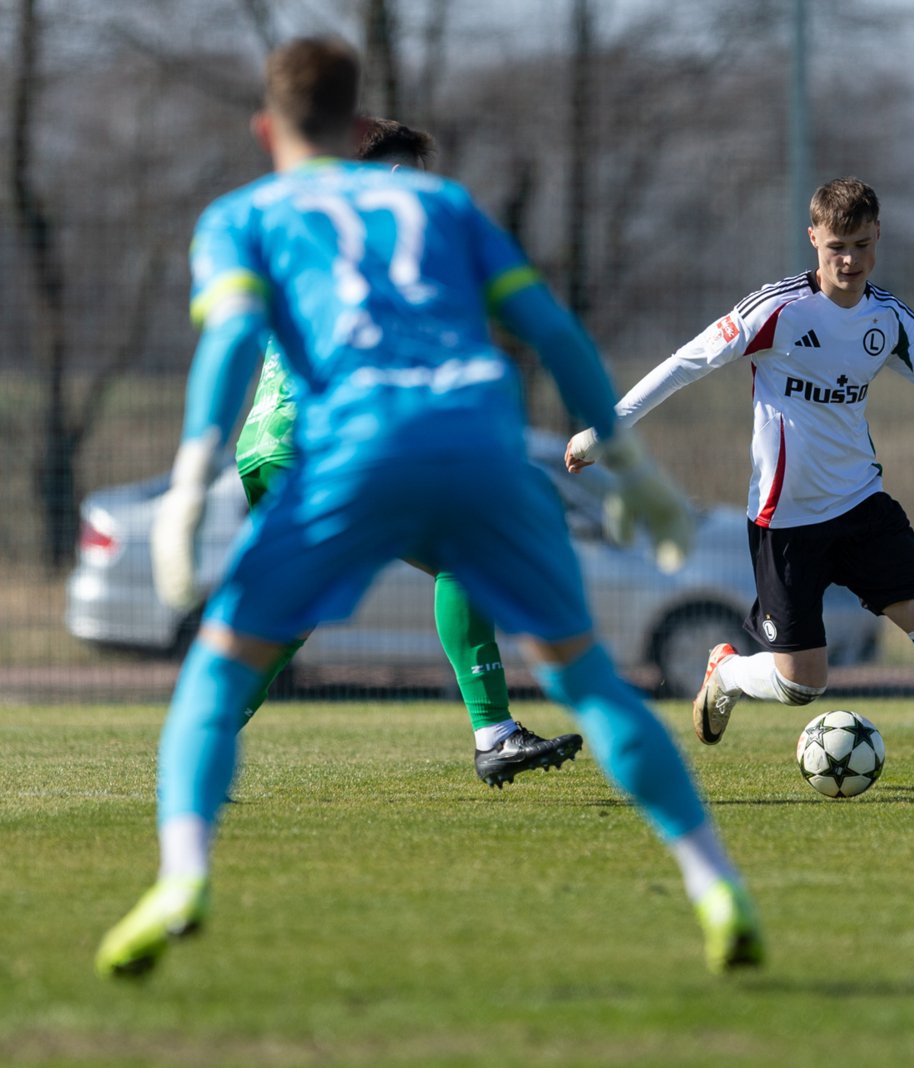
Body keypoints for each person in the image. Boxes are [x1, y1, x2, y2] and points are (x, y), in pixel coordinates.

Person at [95, 36, 762, 980]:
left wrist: (189, 472)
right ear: (360, 123)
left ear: (267, 126)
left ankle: (180, 878)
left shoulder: (249, 215)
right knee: (588, 677)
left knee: (230, 657)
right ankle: (714, 883)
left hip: (336, 450)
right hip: (468, 445)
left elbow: (229, 342)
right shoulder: (445, 207)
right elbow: (551, 329)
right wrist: (634, 470)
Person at [565, 177, 914, 789]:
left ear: (878, 235)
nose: (849, 260)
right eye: (836, 247)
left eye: (860, 244)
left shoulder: (891, 321)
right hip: (787, 521)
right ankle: (724, 673)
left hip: (862, 506)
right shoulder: (777, 310)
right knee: (802, 684)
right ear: (813, 239)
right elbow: (686, 362)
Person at [233, 116, 581, 788]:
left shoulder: (302, 232)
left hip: (267, 447)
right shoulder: (380, 247)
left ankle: (201, 740)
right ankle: (494, 732)